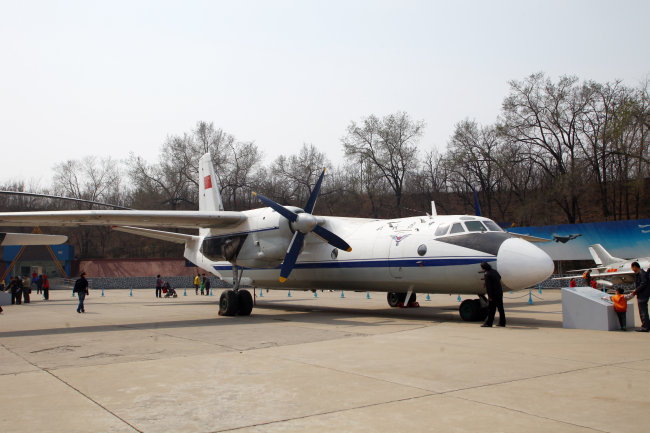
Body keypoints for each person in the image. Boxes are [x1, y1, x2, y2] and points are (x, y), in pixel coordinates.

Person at [480, 262, 506, 328]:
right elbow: (499, 277)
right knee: (500, 308)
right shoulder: (494, 271)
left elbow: (489, 287)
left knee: (491, 309)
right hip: (499, 292)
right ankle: (502, 322)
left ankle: (489, 323)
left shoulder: (487, 274)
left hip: (493, 294)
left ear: (484, 268)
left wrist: (490, 296)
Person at [631, 262, 649, 332]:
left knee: (643, 311)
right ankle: (647, 325)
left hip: (643, 295)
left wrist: (636, 291)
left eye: (632, 267)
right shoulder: (642, 273)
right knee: (644, 311)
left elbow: (643, 283)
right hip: (643, 294)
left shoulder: (641, 273)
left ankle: (645, 327)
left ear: (635, 267)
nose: (632, 269)